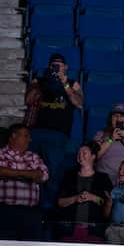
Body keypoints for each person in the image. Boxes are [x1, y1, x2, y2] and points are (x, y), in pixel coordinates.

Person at [24, 52, 84, 199]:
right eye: (53, 64)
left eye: (59, 64)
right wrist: (44, 82)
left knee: (52, 171)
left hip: (58, 134)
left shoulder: (72, 83)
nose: (56, 67)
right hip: (36, 131)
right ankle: (31, 200)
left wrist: (64, 83)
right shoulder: (39, 80)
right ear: (49, 66)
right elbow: (28, 100)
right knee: (32, 168)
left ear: (66, 67)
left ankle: (48, 204)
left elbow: (79, 103)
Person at [0, 123, 49, 241]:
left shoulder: (34, 157)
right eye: (26, 136)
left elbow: (43, 175)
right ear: (14, 136)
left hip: (29, 212)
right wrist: (26, 174)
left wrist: (12, 173)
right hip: (3, 211)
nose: (29, 140)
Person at [53, 142, 112, 240]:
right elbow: (59, 202)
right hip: (69, 230)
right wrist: (75, 198)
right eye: (79, 153)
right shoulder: (69, 175)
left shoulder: (103, 178)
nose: (80, 155)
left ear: (93, 156)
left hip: (94, 231)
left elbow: (107, 206)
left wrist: (93, 198)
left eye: (84, 153)